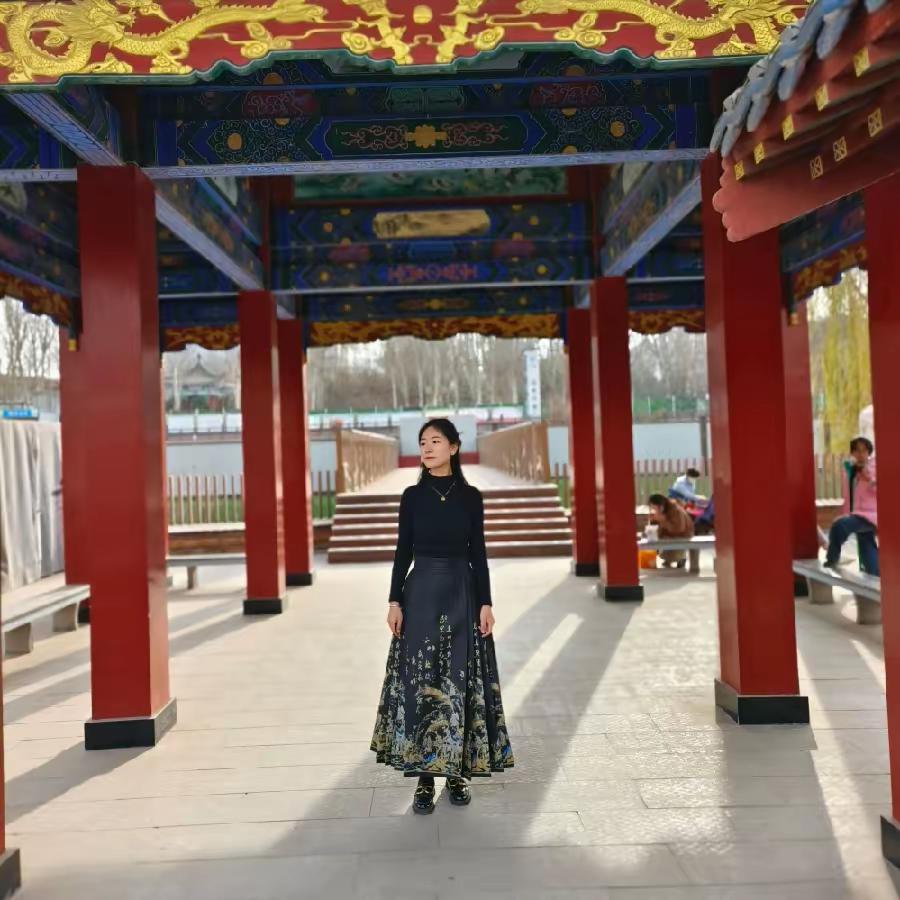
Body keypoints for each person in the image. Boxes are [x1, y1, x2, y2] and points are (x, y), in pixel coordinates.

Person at [370, 418, 515, 814]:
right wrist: (394, 601)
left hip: (462, 593)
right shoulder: (412, 497)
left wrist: (486, 602)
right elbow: (402, 550)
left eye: (435, 441)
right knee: (421, 683)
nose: (427, 448)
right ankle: (423, 779)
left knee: (458, 682)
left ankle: (456, 774)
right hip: (420, 595)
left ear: (453, 447)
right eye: (422, 442)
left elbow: (479, 553)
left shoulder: (471, 497)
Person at [825, 436, 879, 575]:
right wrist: (844, 513)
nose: (860, 454)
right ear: (852, 453)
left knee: (839, 526)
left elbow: (876, 484)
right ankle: (876, 574)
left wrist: (865, 472)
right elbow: (848, 495)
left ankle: (832, 559)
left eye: (864, 450)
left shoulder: (873, 467)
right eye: (857, 450)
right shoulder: (851, 470)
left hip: (871, 515)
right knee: (867, 549)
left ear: (869, 452)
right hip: (857, 514)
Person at [647, 492, 695, 568]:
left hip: (683, 534)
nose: (654, 510)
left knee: (673, 554)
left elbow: (679, 529)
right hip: (669, 535)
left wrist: (663, 520)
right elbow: (658, 528)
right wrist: (653, 522)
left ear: (661, 506)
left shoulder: (675, 510)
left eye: (654, 508)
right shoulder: (661, 511)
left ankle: (681, 558)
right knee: (663, 552)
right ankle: (671, 557)